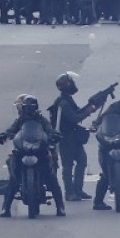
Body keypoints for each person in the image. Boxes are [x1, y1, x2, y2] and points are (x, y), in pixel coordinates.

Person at [0, 95, 65, 217]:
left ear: (35, 108)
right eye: (26, 108)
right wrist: (4, 135)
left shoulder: (41, 119)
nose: (28, 110)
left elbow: (49, 129)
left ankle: (60, 207)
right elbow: (11, 130)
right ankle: (5, 208)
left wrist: (54, 135)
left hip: (39, 150)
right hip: (23, 150)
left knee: (52, 178)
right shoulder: (20, 120)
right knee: (13, 179)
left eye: (31, 108)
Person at [49, 72, 103, 201]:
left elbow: (77, 112)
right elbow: (75, 118)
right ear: (67, 85)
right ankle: (69, 192)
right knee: (68, 166)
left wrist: (93, 106)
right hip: (66, 138)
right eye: (71, 82)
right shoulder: (63, 103)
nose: (73, 85)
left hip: (73, 136)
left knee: (82, 161)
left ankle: (78, 190)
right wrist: (89, 110)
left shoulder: (67, 99)